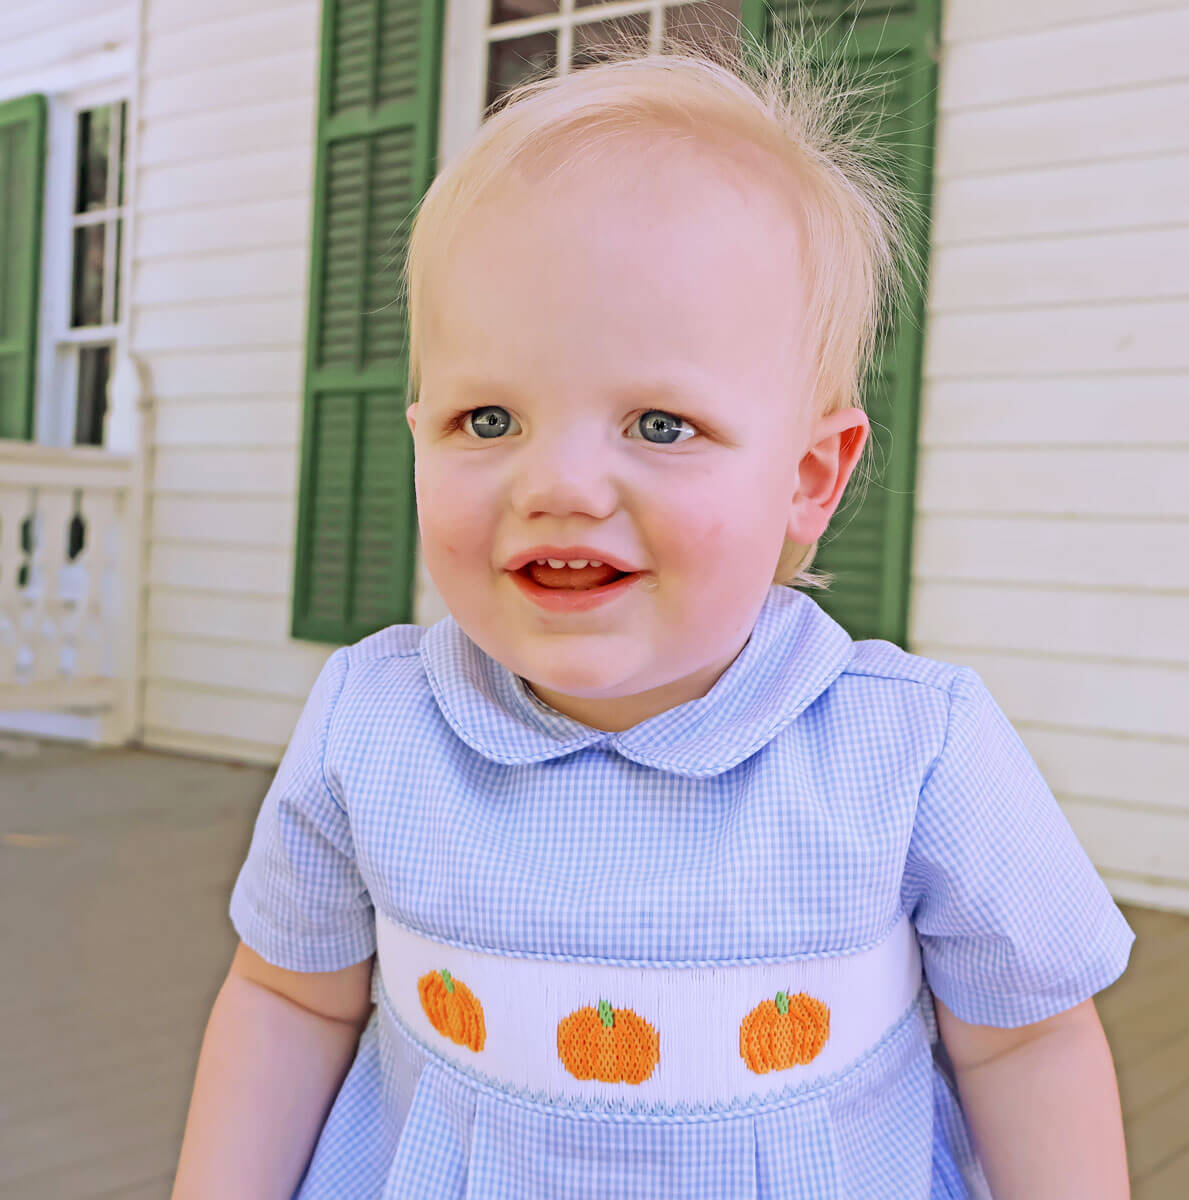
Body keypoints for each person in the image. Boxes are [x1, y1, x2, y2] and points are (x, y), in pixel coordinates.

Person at [171, 22, 1134, 1200]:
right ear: (416, 432)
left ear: (807, 480)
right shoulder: (372, 728)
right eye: (488, 420)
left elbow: (1027, 1038)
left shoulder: (910, 751)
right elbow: (287, 998)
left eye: (660, 425)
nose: (560, 485)